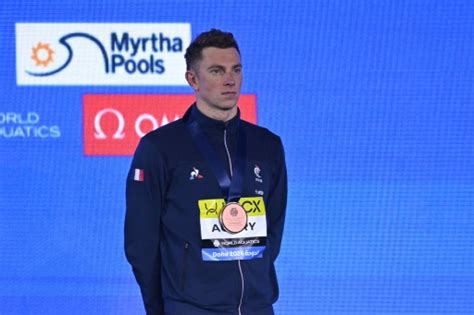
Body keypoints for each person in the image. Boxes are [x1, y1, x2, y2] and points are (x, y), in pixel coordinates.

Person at [125, 29, 287, 315]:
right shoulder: (160, 148)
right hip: (191, 308)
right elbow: (141, 244)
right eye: (216, 70)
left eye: (236, 69)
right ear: (192, 79)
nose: (230, 79)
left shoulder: (268, 145)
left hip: (257, 307)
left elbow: (273, 230)